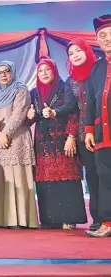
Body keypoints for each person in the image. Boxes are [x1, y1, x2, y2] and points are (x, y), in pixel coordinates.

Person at [28, 58, 86, 230]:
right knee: (45, 180)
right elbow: (33, 117)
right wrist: (30, 115)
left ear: (54, 71)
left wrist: (71, 137)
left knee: (66, 179)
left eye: (47, 70)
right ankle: (50, 219)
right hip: (43, 143)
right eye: (40, 71)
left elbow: (74, 112)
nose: (44, 73)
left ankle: (69, 218)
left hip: (63, 141)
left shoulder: (64, 88)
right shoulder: (34, 93)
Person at [0, 61, 38, 229]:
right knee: (4, 177)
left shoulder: (20, 90)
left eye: (7, 71)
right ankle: (1, 219)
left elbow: (19, 114)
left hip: (16, 140)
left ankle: (22, 219)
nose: (3, 75)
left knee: (18, 177)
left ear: (13, 72)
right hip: (0, 143)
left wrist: (6, 133)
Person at [65, 39, 101, 232]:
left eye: (79, 50)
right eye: (71, 53)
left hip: (103, 132)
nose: (76, 55)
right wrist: (72, 134)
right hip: (83, 136)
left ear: (87, 51)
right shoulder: (71, 81)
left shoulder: (100, 72)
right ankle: (98, 217)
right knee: (93, 177)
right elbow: (72, 110)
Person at [84, 14, 111, 238]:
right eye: (102, 35)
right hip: (103, 134)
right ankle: (107, 222)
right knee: (105, 181)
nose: (107, 39)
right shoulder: (97, 68)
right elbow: (91, 101)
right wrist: (89, 130)